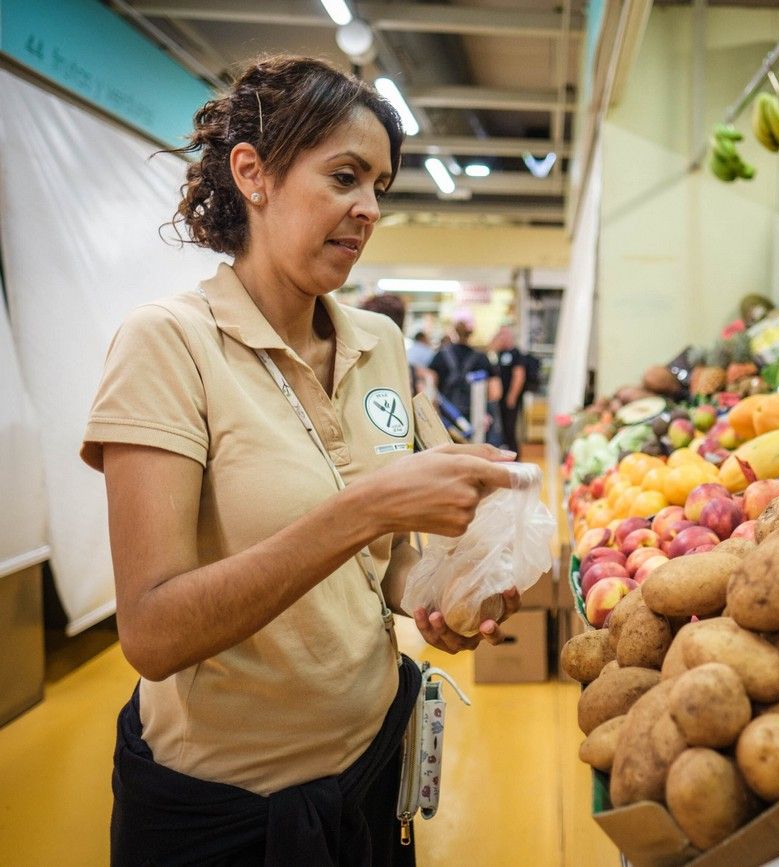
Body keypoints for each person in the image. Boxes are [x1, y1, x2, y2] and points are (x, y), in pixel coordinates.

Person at [80, 55, 520, 865]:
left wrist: (441, 596)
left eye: (380, 187)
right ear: (254, 173)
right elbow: (151, 630)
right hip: (225, 814)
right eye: (345, 176)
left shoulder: (378, 342)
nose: (368, 209)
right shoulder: (169, 345)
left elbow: (383, 566)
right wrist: (373, 507)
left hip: (374, 769)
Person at [430, 318, 494, 431]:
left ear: (454, 331)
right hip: (475, 415)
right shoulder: (482, 358)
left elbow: (430, 388)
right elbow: (495, 392)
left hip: (446, 416)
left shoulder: (440, 356)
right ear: (471, 334)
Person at [491, 326, 526, 454]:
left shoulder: (516, 354)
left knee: (510, 429)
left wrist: (512, 396)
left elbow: (519, 376)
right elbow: (489, 349)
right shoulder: (499, 353)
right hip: (499, 398)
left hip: (510, 399)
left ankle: (514, 455)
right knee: (501, 430)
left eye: (503, 335)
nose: (500, 337)